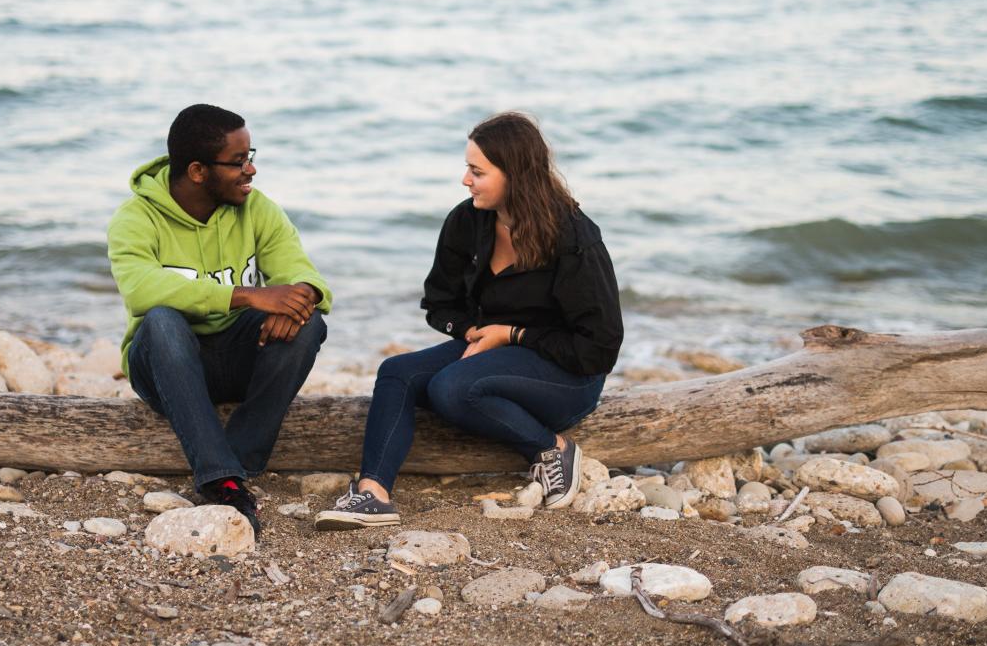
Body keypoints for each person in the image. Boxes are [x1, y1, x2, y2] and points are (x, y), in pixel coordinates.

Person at [316, 112, 623, 530]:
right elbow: (438, 303)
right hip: (491, 355)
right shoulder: (467, 221)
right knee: (397, 372)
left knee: (452, 387)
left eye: (477, 171)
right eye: (467, 169)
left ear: (515, 174)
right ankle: (373, 493)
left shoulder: (573, 238)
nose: (465, 180)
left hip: (569, 375)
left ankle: (553, 449)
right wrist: (469, 331)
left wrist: (511, 334)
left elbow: (599, 347)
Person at [108, 104, 331, 538]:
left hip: (238, 358)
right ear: (197, 170)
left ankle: (238, 459)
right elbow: (140, 290)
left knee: (309, 323)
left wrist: (303, 301)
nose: (251, 170)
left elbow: (305, 276)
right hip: (167, 365)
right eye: (238, 162)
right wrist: (248, 295)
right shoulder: (136, 218)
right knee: (161, 320)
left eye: (251, 156)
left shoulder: (257, 209)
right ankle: (220, 480)